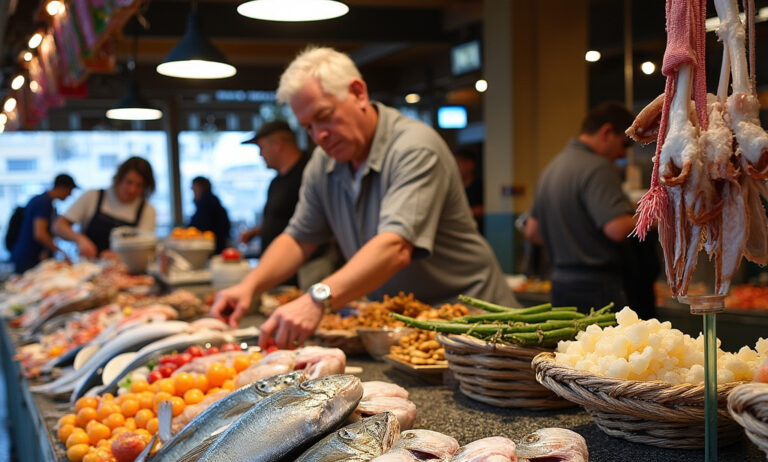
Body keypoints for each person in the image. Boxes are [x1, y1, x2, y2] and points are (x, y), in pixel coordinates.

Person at [211, 46, 514, 348]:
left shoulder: (414, 147)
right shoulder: (323, 162)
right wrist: (248, 287)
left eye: (324, 116)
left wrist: (317, 299)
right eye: (308, 127)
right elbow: (299, 239)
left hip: (478, 323)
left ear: (358, 93)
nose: (319, 136)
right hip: (408, 329)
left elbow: (395, 247)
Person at [524, 102, 637, 314]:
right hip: (597, 285)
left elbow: (532, 231)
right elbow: (617, 228)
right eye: (624, 144)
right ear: (606, 132)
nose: (623, 154)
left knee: (569, 347)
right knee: (602, 348)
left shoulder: (551, 167)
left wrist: (571, 240)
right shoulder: (599, 167)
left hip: (560, 283)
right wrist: (655, 215)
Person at [53, 156, 156, 259]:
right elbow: (58, 226)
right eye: (129, 182)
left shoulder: (147, 210)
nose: (132, 190)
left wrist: (121, 256)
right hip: (88, 268)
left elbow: (146, 250)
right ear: (119, 179)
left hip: (127, 272)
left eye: (139, 185)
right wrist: (79, 239)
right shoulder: (93, 196)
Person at [239, 120, 309, 255]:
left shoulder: (309, 174)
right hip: (278, 264)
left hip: (302, 267)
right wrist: (258, 231)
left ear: (277, 144)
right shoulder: (276, 182)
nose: (260, 154)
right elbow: (283, 221)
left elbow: (310, 225)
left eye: (261, 148)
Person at [9, 174, 78, 274]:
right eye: (70, 191)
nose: (69, 195)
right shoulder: (44, 202)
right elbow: (40, 234)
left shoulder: (42, 200)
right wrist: (60, 252)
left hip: (26, 254)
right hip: (28, 256)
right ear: (62, 188)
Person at [189, 176, 231, 254]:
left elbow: (198, 228)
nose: (193, 193)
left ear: (200, 187)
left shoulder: (205, 203)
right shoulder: (214, 201)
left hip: (210, 249)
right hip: (218, 246)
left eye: (194, 189)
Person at [454, 147, 484, 233]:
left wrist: (464, 213)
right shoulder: (456, 187)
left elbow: (486, 209)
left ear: (470, 164)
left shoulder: (481, 187)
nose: (455, 167)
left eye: (459, 162)